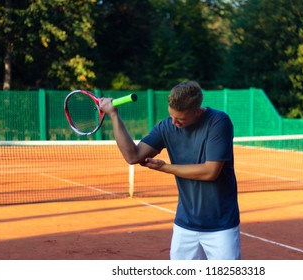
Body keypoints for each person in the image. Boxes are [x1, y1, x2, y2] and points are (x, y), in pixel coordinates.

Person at [99, 81, 241, 260]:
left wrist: (164, 167)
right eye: (171, 116)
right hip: (185, 225)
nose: (174, 122)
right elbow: (133, 156)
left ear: (197, 112)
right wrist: (113, 115)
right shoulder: (167, 126)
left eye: (180, 119)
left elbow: (210, 171)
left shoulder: (219, 122)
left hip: (221, 226)